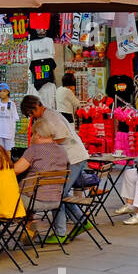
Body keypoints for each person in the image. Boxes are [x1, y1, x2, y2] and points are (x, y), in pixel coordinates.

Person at [20, 94, 90, 243]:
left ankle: (61, 233)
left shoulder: (50, 116)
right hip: (71, 158)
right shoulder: (47, 115)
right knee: (60, 193)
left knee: (57, 193)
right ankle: (82, 221)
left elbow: (62, 137)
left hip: (74, 157)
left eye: (31, 113)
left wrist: (44, 147)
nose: (32, 116)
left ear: (35, 107)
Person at [12, 131, 70, 214]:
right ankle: (29, 223)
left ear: (38, 135)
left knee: (4, 194)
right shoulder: (62, 150)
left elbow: (16, 170)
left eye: (33, 134)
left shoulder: (35, 149)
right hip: (56, 200)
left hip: (33, 200)